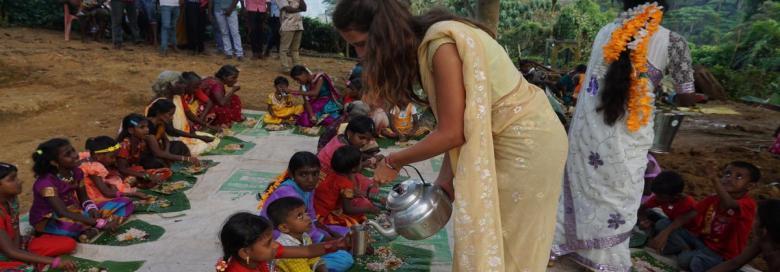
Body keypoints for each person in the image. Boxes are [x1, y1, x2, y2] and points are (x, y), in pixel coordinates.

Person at [333, 1, 568, 270]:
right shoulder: (432, 44)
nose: (360, 54)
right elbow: (465, 124)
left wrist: (394, 161)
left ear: (386, 33)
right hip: (509, 139)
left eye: (362, 44)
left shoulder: (442, 47)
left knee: (512, 245)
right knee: (492, 239)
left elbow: (452, 134)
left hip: (526, 145)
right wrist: (444, 184)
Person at [550, 0, 701, 270]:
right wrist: (697, 97)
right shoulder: (674, 42)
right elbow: (684, 94)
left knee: (584, 187)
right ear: (662, 7)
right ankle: (604, 260)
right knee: (618, 195)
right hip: (629, 140)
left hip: (589, 135)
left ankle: (566, 244)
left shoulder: (605, 31)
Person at [29, 139, 131, 242]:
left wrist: (91, 209)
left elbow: (84, 198)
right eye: (68, 154)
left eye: (73, 150)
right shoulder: (46, 183)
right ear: (54, 162)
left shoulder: (76, 172)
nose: (74, 155)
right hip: (52, 218)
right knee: (73, 228)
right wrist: (98, 222)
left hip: (75, 211)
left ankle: (91, 230)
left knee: (125, 202)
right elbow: (62, 212)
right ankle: (96, 226)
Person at [676, 161, 760, 271]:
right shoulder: (714, 198)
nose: (729, 178)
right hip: (704, 243)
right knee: (664, 225)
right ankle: (691, 252)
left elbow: (729, 204)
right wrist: (665, 232)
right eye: (727, 174)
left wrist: (714, 179)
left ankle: (694, 255)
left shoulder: (748, 204)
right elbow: (691, 214)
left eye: (738, 177)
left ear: (750, 185)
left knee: (689, 261)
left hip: (723, 255)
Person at [0, 163, 77, 271]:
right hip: (4, 253)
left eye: (16, 177)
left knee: (68, 244)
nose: (19, 181)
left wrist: (18, 254)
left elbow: (15, 229)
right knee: (26, 269)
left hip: (12, 246)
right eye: (12, 179)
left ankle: (28, 262)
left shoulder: (12, 199)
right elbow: (9, 251)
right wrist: (53, 261)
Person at [216, 212, 349, 272]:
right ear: (245, 252)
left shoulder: (258, 255)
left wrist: (337, 244)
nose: (275, 244)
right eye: (268, 243)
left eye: (272, 239)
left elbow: (307, 251)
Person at [268, 197, 352, 272]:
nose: (308, 218)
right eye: (300, 216)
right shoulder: (286, 250)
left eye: (305, 213)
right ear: (284, 228)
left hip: (305, 267)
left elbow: (313, 259)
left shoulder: (305, 236)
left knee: (345, 259)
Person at [149, 71, 220, 155]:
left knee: (214, 140)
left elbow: (189, 114)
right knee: (203, 146)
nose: (184, 85)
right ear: (170, 85)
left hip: (183, 134)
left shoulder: (178, 97)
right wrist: (198, 137)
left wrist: (208, 126)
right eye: (180, 83)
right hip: (172, 140)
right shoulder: (161, 103)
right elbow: (171, 131)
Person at [314, 146, 381, 228]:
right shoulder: (346, 184)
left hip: (312, 207)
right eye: (360, 162)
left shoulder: (328, 172)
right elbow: (348, 209)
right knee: (357, 220)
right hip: (321, 215)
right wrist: (369, 209)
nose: (362, 164)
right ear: (353, 169)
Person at [708, 199, 780, 272]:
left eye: (756, 218)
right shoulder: (763, 240)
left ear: (764, 226)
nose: (752, 221)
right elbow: (735, 263)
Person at [639, 171, 700, 254]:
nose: (656, 198)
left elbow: (679, 223)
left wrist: (665, 233)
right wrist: (643, 220)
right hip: (672, 226)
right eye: (656, 195)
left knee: (662, 224)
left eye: (660, 196)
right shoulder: (662, 197)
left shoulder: (688, 204)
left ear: (676, 196)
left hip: (690, 234)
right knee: (650, 214)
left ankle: (685, 248)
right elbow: (642, 208)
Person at [82, 136, 150, 204]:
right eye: (112, 157)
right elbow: (107, 193)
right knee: (125, 202)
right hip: (93, 197)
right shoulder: (94, 167)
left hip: (93, 191)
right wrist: (132, 194)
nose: (114, 160)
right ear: (97, 156)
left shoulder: (88, 158)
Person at [116, 113, 174, 188]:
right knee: (132, 180)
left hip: (135, 170)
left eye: (147, 126)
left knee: (166, 172)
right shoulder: (124, 145)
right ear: (131, 130)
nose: (147, 130)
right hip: (122, 173)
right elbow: (122, 169)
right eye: (142, 127)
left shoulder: (140, 142)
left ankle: (144, 182)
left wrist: (145, 174)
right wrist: (145, 175)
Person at [146, 99, 213, 162]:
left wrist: (167, 152)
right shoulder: (147, 127)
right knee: (157, 162)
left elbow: (166, 141)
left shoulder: (160, 124)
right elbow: (157, 153)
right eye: (170, 115)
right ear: (159, 112)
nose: (172, 118)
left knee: (179, 145)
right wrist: (186, 158)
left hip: (159, 151)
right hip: (149, 154)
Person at [276, 0, 306, 71]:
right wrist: (299, 10)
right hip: (287, 25)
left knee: (295, 49)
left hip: (299, 25)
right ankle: (285, 68)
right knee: (284, 49)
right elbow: (288, 9)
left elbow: (304, 8)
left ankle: (297, 67)